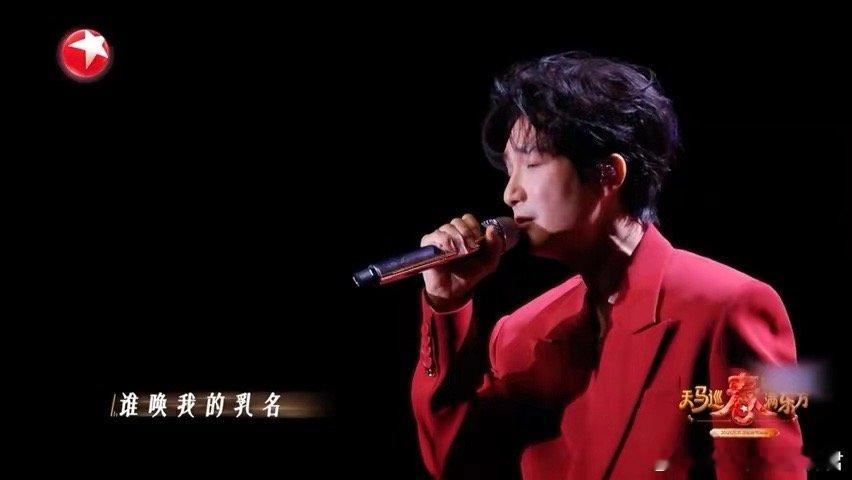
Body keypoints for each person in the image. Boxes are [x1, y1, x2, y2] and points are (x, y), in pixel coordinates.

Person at [411, 52, 808, 479]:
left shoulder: (727, 307)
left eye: (533, 164)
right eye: (509, 170)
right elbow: (456, 462)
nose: (511, 193)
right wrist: (446, 304)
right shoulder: (520, 334)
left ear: (609, 173)